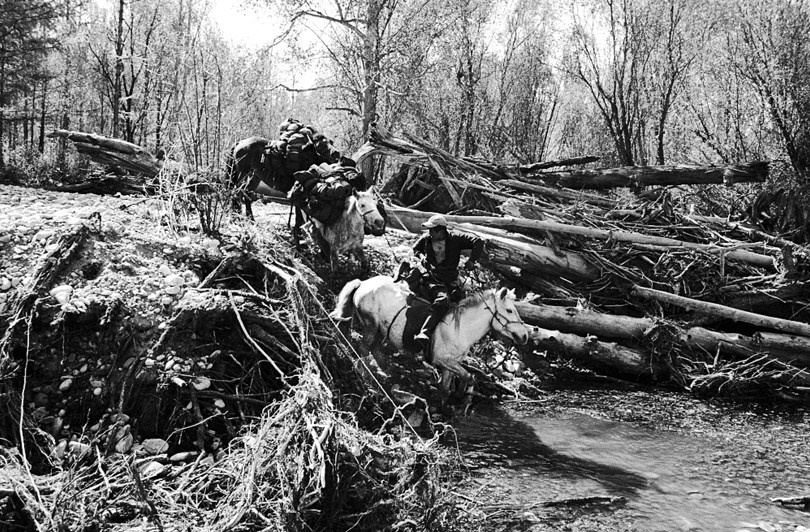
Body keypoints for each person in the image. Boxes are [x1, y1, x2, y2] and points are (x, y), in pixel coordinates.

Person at [404, 214, 485, 351]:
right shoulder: (426, 239)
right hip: (432, 279)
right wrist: (422, 257)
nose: (429, 232)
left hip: (450, 279)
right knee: (442, 300)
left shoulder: (455, 239)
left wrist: (472, 260)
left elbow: (478, 241)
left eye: (432, 230)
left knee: (462, 307)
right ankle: (425, 332)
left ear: (441, 230)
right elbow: (415, 249)